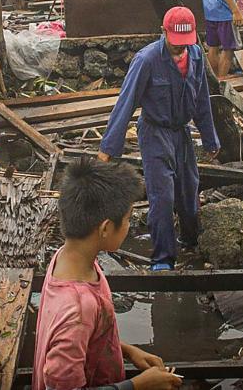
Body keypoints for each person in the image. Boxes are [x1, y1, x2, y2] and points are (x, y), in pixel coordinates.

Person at [32, 157, 182, 390]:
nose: (129, 226)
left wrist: (127, 350)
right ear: (104, 228)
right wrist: (138, 385)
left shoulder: (68, 257)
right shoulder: (77, 310)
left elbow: (87, 338)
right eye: (127, 219)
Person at [98, 6, 219, 271]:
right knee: (162, 195)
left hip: (181, 132)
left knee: (189, 190)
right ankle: (163, 257)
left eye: (184, 44)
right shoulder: (147, 60)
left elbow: (201, 102)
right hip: (154, 133)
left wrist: (210, 139)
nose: (180, 49)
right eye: (175, 44)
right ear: (163, 32)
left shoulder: (196, 56)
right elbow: (126, 103)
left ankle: (190, 240)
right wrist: (108, 147)